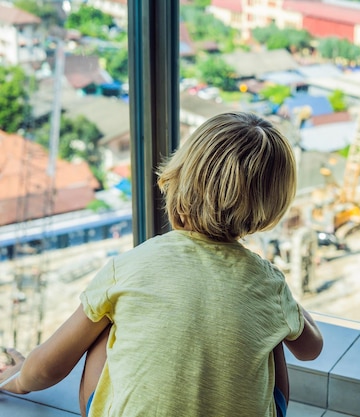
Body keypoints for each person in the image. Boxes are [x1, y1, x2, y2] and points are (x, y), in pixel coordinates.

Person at [0, 111, 324, 416]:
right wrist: (276, 296)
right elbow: (310, 349)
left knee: (108, 318)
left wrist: (15, 380)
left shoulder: (130, 265)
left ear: (176, 178)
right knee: (274, 334)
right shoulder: (268, 282)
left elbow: (47, 369)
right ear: (274, 204)